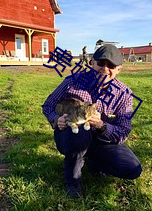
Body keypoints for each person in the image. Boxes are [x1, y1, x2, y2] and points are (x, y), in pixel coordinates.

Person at [42, 45, 142, 198]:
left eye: (111, 66)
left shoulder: (124, 95)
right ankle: (73, 181)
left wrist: (102, 126)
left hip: (101, 140)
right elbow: (48, 104)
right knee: (80, 131)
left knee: (132, 168)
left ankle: (93, 161)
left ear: (119, 69)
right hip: (71, 134)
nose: (105, 68)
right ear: (92, 63)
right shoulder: (72, 81)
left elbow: (123, 131)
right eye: (101, 63)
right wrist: (56, 120)